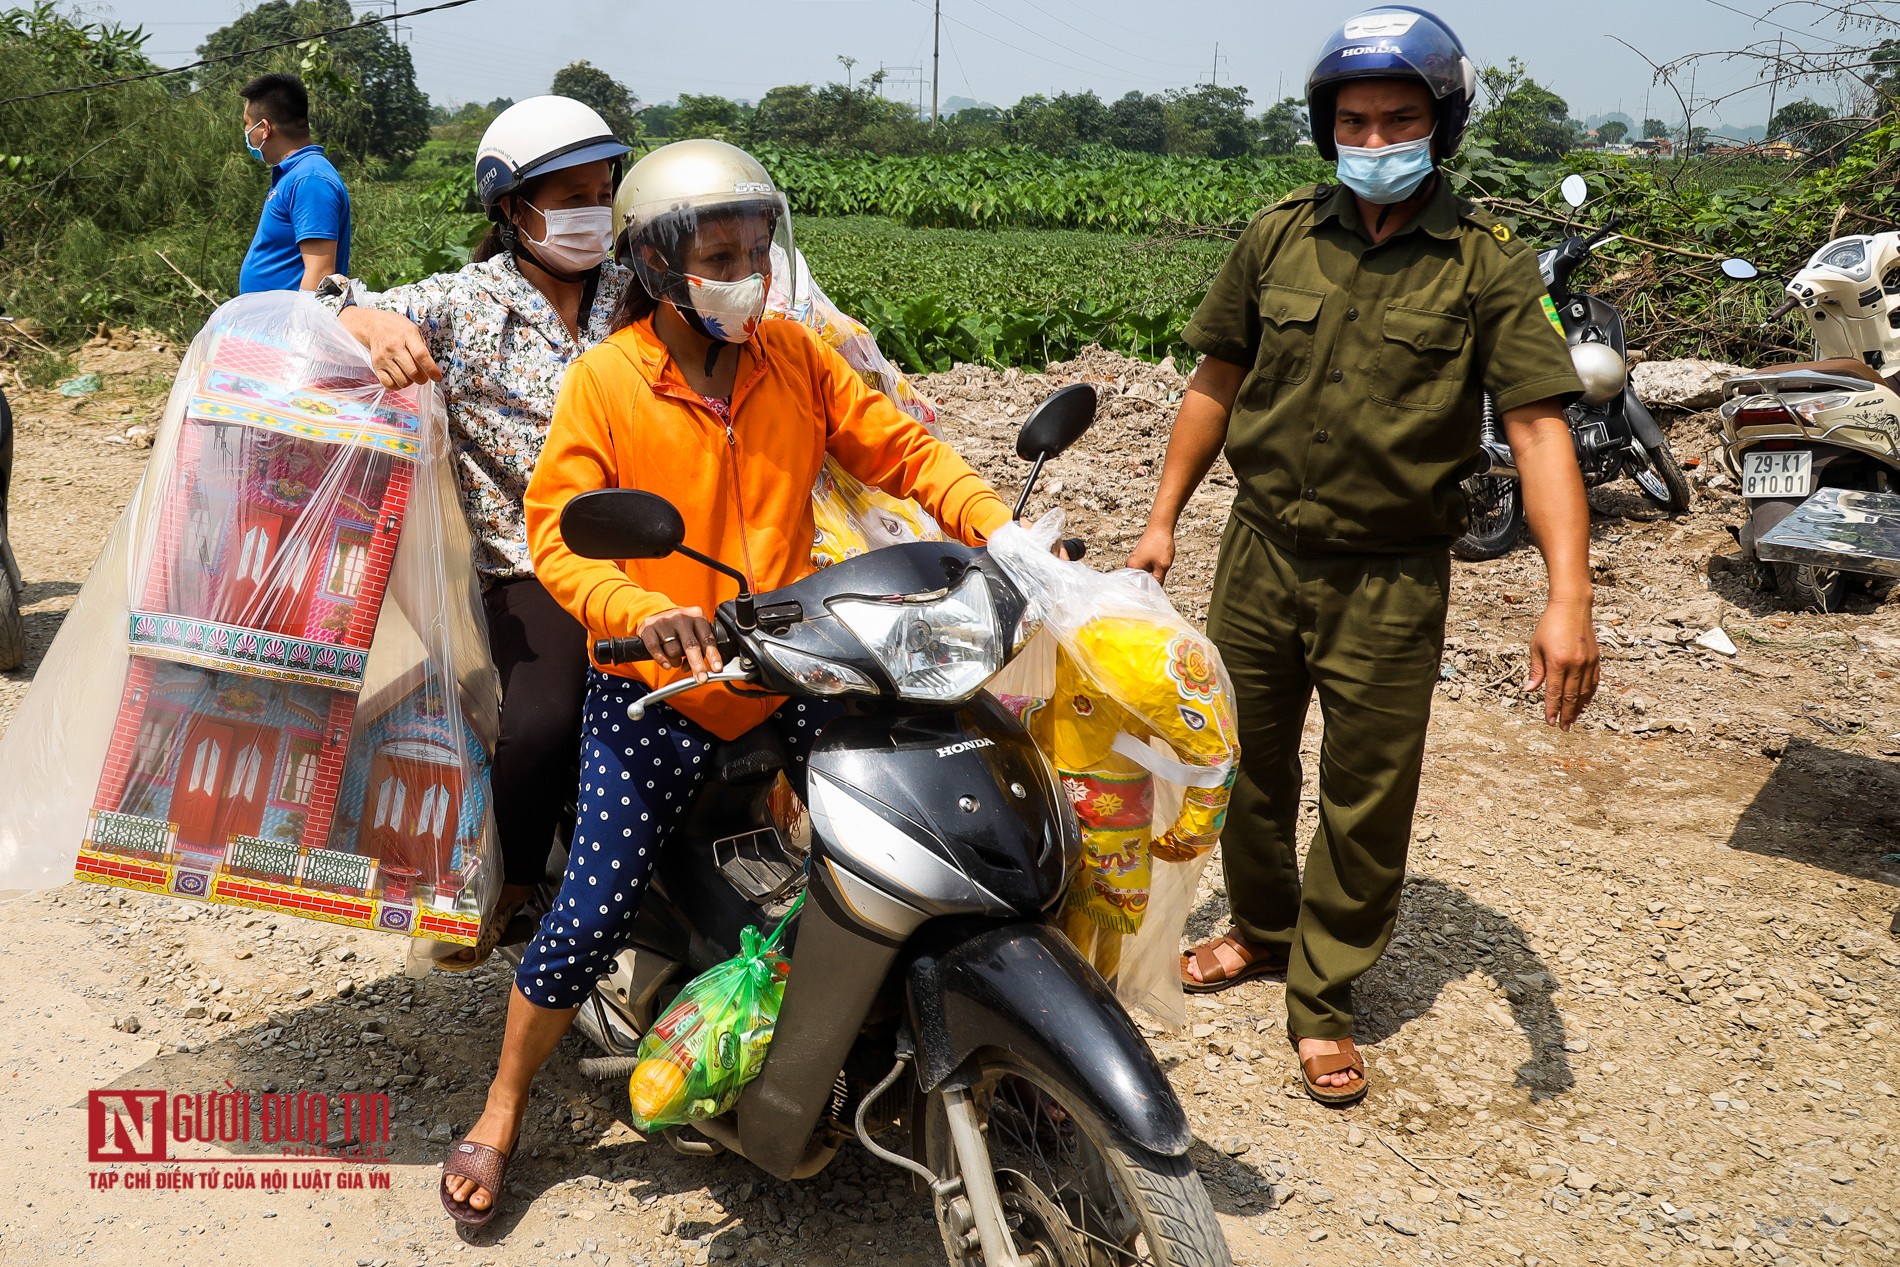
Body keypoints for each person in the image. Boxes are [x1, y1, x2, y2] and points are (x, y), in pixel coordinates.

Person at [435, 139, 1014, 1225]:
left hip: (796, 656)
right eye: (719, 253)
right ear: (659, 267)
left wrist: (1004, 528)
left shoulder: (795, 357)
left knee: (900, 822)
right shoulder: (608, 380)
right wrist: (639, 614)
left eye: (756, 248)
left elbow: (900, 448)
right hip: (670, 682)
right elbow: (559, 535)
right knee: (592, 908)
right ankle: (506, 1104)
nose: (746, 271)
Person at [1126, 6, 1600, 1107]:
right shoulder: (1278, 236)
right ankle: (1257, 925)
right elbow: (1213, 384)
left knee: (1365, 791)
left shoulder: (1485, 265)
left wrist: (1565, 595)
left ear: (1441, 127)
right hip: (1261, 552)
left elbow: (1538, 430)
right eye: (1354, 120)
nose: (1375, 140)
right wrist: (1163, 520)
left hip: (1389, 573)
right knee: (1238, 760)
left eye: (1398, 119)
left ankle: (1324, 995)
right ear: (1323, 127)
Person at [318, 96, 633, 967]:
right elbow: (327, 307)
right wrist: (367, 320)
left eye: (603, 192)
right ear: (511, 209)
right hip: (530, 561)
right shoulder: (460, 305)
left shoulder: (638, 292)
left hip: (655, 541)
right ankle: (514, 885)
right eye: (567, 196)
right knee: (543, 720)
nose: (591, 214)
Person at [237, 73, 352, 294]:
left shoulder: (310, 179)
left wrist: (297, 328)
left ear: (265, 128)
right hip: (268, 323)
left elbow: (320, 273)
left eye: (247, 124)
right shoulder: (294, 175)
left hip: (287, 325)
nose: (246, 133)